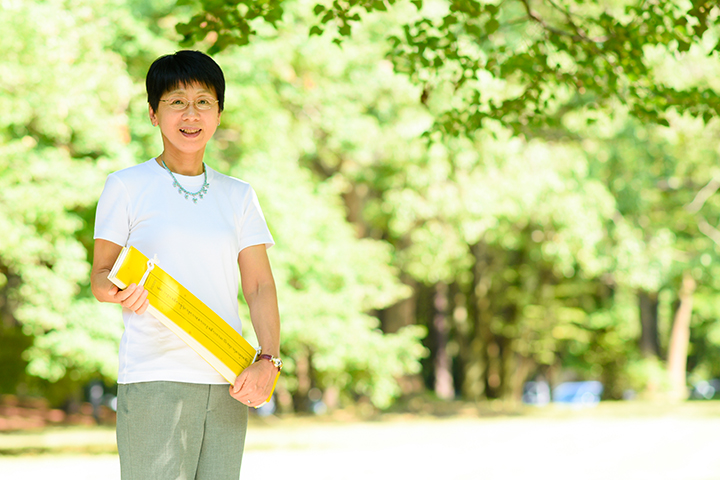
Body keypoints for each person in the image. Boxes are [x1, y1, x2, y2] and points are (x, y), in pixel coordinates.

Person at [90, 50, 281, 480]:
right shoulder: (126, 186)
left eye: (203, 101)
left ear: (218, 114)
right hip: (155, 376)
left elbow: (259, 287)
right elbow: (100, 276)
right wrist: (117, 292)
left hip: (230, 376)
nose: (190, 113)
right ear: (154, 114)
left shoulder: (239, 195)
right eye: (176, 101)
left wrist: (269, 359)